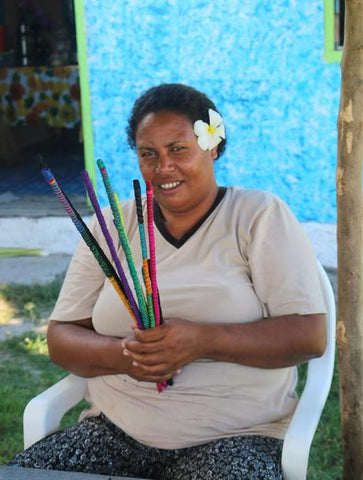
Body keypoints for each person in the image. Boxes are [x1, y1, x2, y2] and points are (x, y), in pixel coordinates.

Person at [9, 83, 326, 479]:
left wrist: (201, 341)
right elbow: (61, 338)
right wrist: (127, 354)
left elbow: (308, 336)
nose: (163, 167)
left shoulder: (258, 216)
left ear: (212, 146)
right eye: (148, 154)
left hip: (236, 436)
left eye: (178, 149)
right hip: (115, 432)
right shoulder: (113, 225)